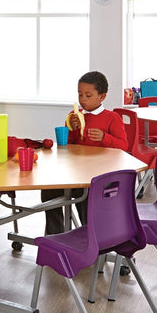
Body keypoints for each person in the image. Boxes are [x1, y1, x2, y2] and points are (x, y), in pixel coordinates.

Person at [41, 71, 128, 235]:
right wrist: (71, 129)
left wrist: (105, 137)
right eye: (80, 94)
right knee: (49, 190)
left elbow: (123, 146)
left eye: (88, 95)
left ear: (102, 97)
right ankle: (55, 236)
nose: (82, 99)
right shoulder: (74, 116)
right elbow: (67, 145)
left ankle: (90, 236)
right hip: (75, 174)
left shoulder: (112, 118)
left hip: (99, 177)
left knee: (86, 196)